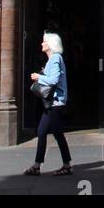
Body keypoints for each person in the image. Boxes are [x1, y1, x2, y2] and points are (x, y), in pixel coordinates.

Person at [24, 32, 71, 176]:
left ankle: (66, 165)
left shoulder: (56, 58)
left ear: (50, 44)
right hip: (51, 103)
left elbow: (54, 80)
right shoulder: (52, 60)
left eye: (44, 42)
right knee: (42, 131)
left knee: (55, 133)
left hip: (56, 102)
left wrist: (39, 77)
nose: (42, 44)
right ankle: (38, 165)